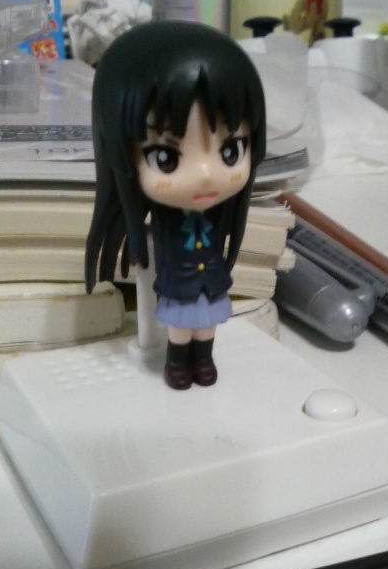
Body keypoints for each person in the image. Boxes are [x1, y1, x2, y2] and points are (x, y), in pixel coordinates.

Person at [85, 20, 266, 389]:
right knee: (181, 328)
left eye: (231, 151)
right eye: (166, 158)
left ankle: (204, 359)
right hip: (179, 287)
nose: (205, 175)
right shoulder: (165, 220)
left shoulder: (217, 218)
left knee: (207, 325)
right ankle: (177, 362)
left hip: (210, 284)